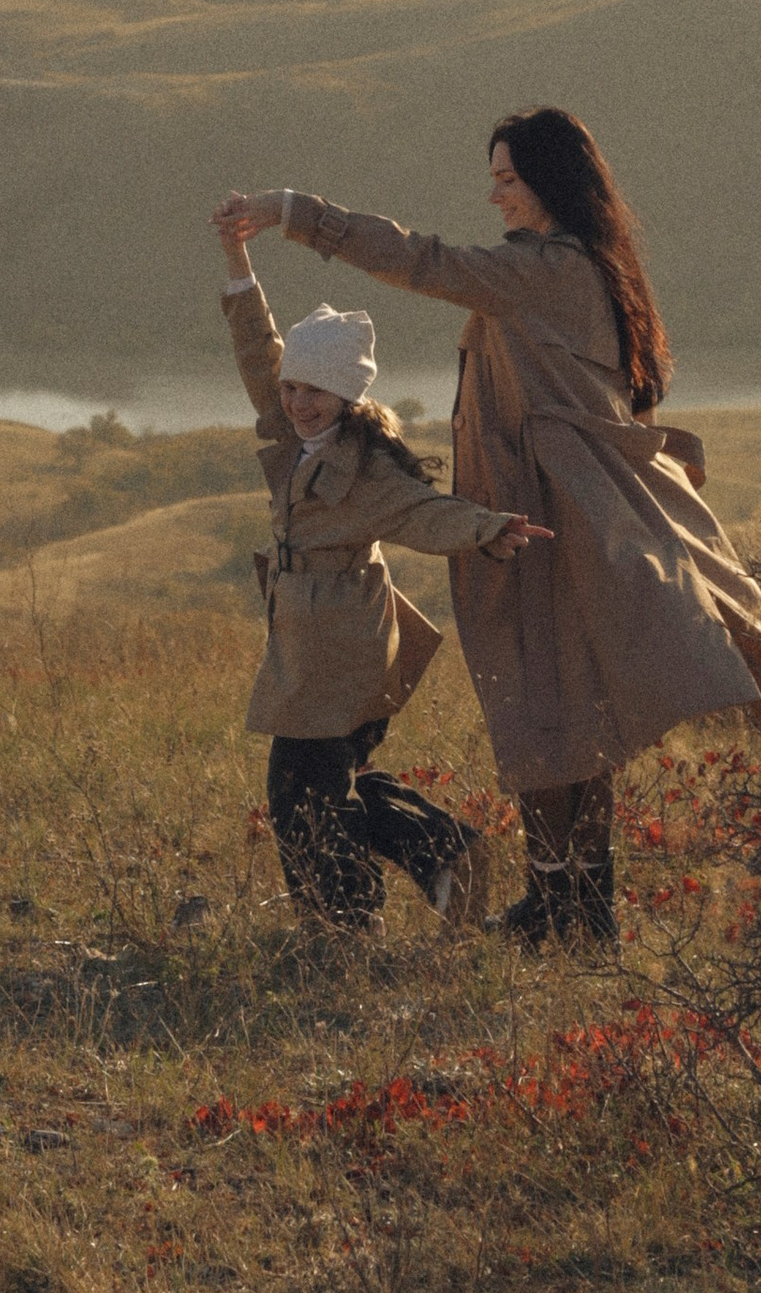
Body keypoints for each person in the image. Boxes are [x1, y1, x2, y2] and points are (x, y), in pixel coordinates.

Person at [215, 108, 761, 951]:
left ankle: (565, 907)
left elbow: (422, 260)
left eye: (507, 179)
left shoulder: (547, 269)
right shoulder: (591, 268)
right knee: (570, 719)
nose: (494, 194)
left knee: (549, 716)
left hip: (537, 522)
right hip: (554, 516)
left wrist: (295, 213)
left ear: (549, 182)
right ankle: (570, 905)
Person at [216, 212, 550, 933]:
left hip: (342, 647)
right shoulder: (290, 430)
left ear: (348, 396)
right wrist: (238, 260)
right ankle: (443, 852)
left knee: (299, 788)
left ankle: (344, 923)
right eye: (293, 388)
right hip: (313, 641)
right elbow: (256, 348)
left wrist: (490, 529)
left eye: (315, 392)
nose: (298, 403)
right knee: (327, 784)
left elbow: (425, 512)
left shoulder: (364, 466)